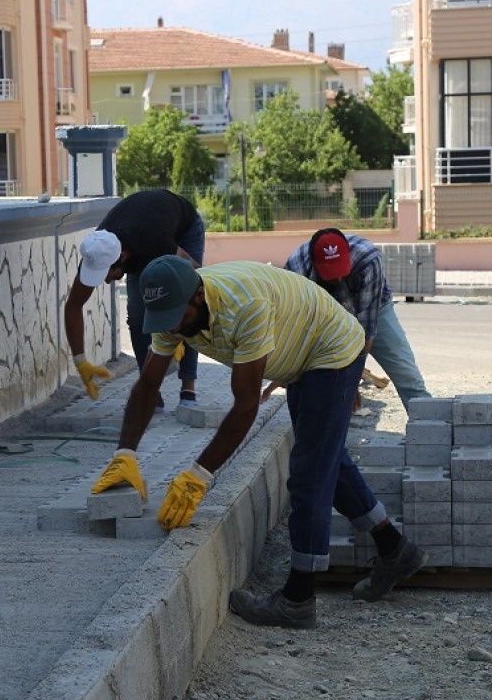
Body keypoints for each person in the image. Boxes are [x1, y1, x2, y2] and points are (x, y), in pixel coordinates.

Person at [90, 256, 428, 629]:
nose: (171, 326)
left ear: (199, 295)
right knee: (324, 458)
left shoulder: (243, 306)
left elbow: (246, 405)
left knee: (308, 474)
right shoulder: (172, 310)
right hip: (299, 351)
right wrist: (124, 454)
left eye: (176, 316)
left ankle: (298, 599)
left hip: (330, 348)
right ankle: (395, 549)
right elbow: (147, 387)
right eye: (163, 319)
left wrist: (199, 475)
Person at [63, 189, 204, 408]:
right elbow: (73, 306)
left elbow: (196, 275)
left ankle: (188, 390)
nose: (106, 282)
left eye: (107, 274)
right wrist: (81, 362)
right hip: (144, 231)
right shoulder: (96, 251)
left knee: (189, 304)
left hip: (184, 228)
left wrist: (180, 329)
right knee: (138, 316)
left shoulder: (151, 241)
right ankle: (150, 391)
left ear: (122, 257)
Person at [279, 228, 431, 412]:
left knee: (406, 374)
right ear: (314, 263)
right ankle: (316, 424)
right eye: (330, 273)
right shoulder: (295, 270)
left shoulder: (368, 260)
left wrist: (351, 382)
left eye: (341, 269)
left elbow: (365, 332)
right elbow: (293, 330)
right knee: (310, 376)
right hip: (323, 316)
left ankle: (428, 423)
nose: (338, 277)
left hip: (373, 310)